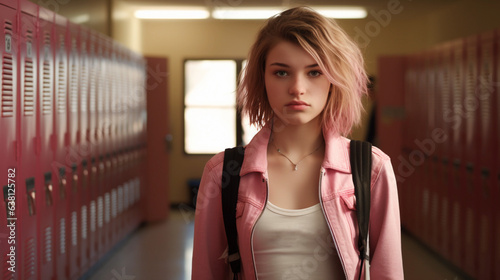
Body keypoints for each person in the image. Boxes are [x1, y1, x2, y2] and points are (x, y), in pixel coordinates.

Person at [192, 6, 403, 280]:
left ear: (334, 80)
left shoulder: (370, 168)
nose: (297, 88)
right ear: (262, 78)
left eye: (314, 72)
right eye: (281, 73)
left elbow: (388, 273)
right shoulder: (223, 172)